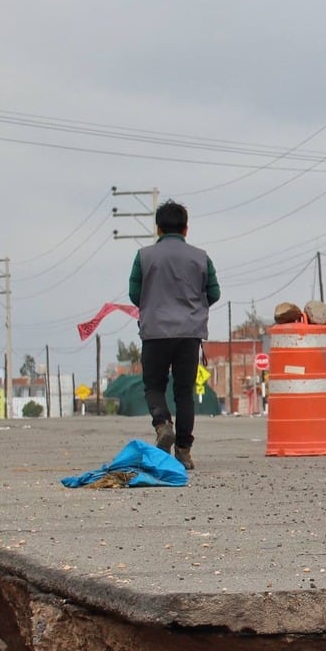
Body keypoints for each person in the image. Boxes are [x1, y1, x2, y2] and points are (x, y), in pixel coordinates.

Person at [128, 201, 219, 471]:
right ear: (186, 229)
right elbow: (214, 293)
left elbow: (135, 295)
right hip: (188, 334)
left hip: (155, 333)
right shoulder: (202, 257)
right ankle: (183, 451)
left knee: (154, 386)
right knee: (184, 392)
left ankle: (162, 423)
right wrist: (192, 307)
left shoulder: (143, 256)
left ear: (157, 228)